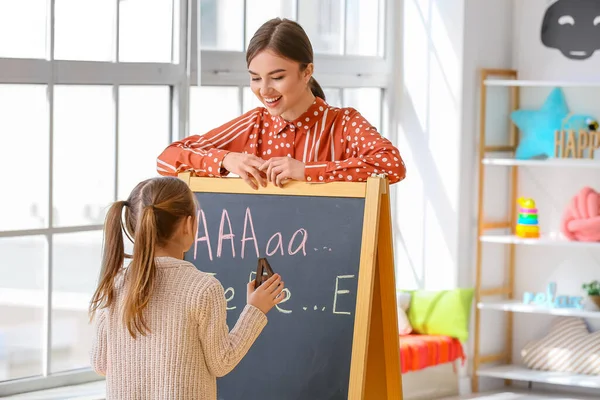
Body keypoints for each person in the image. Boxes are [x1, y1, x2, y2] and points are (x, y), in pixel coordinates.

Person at [88, 176, 285, 399]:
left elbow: (100, 362)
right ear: (188, 225)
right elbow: (222, 362)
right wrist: (255, 310)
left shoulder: (115, 284)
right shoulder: (203, 288)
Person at [157, 18, 406, 189]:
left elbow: (392, 165)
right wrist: (225, 160)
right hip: (263, 260)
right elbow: (167, 159)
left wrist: (308, 171)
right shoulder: (254, 124)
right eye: (255, 78)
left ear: (306, 71)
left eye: (277, 77)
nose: (264, 90)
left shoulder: (344, 123)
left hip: (336, 261)